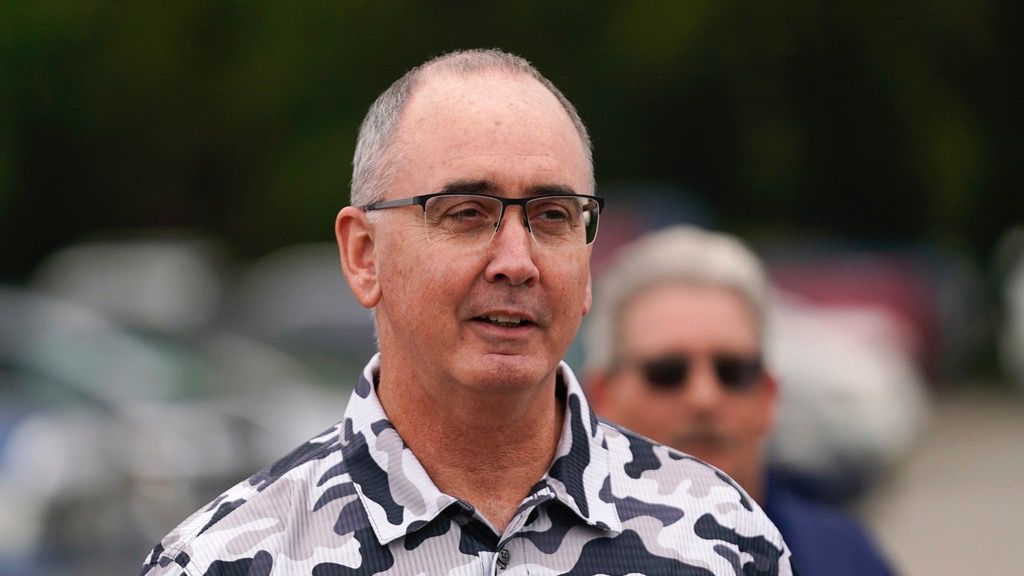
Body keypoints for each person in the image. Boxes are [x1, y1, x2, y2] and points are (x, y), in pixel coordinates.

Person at [139, 49, 794, 575]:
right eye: (466, 214)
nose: (517, 260)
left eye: (553, 216)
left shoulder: (723, 543)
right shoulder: (225, 561)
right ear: (364, 255)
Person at [584, 225, 894, 576]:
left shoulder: (844, 559)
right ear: (601, 397)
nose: (705, 397)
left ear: (768, 395)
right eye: (668, 372)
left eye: (733, 371)